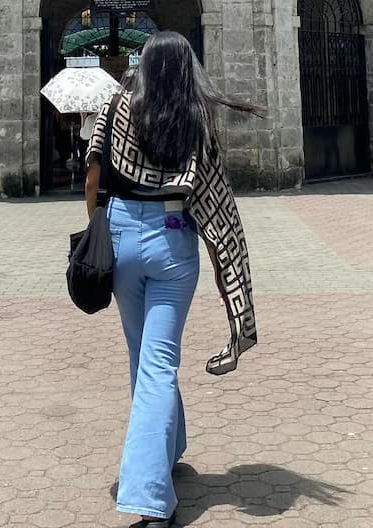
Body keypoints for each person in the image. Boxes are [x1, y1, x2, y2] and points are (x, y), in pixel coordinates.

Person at [85, 32, 261, 527]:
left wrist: (98, 228)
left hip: (121, 235)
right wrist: (227, 260)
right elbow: (213, 194)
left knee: (143, 357)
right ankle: (150, 494)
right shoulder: (195, 117)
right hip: (173, 239)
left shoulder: (115, 107)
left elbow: (92, 175)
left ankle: (163, 459)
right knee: (158, 362)